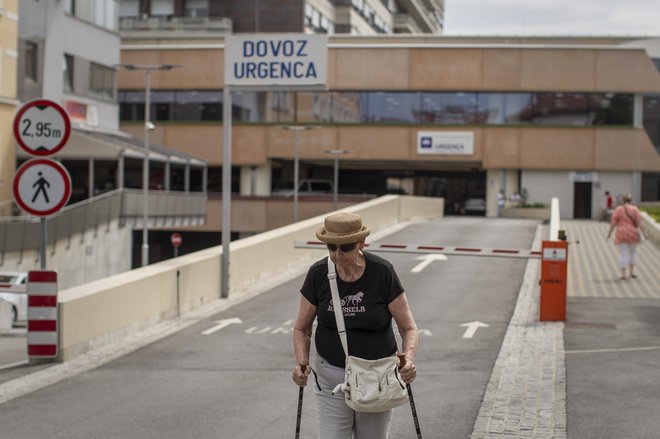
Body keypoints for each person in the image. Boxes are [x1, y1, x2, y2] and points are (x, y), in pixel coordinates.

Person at [292, 212, 419, 439]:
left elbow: (408, 327)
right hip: (331, 376)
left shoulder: (382, 272)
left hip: (376, 377)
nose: (337, 255)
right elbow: (302, 328)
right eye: (332, 247)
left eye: (345, 247)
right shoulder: (318, 274)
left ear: (361, 243)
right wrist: (301, 362)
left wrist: (408, 359)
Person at [607, 194, 646, 279]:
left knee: (623, 254)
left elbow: (613, 222)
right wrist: (644, 234)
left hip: (621, 233)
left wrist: (609, 233)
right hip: (633, 233)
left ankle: (623, 274)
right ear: (631, 200)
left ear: (622, 200)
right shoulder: (635, 209)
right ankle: (632, 272)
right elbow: (640, 222)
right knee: (632, 253)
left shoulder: (618, 209)